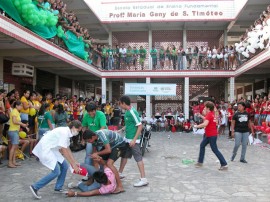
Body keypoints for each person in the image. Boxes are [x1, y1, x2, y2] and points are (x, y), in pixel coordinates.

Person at [29, 120, 82, 199]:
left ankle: (58, 187)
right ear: (74, 127)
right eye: (78, 130)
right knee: (56, 172)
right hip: (47, 149)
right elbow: (64, 150)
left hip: (53, 149)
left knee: (64, 166)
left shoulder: (67, 132)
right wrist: (74, 165)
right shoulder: (64, 132)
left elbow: (67, 149)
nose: (77, 133)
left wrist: (74, 162)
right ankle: (35, 187)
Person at [82, 129, 127, 193]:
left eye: (89, 140)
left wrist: (97, 154)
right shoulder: (93, 140)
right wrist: (95, 157)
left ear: (92, 137)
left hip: (119, 145)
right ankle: (95, 179)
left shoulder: (101, 135)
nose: (89, 142)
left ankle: (120, 186)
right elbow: (94, 152)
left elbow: (108, 150)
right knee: (98, 160)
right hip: (111, 146)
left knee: (109, 164)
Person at [118, 95, 148, 187]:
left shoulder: (132, 112)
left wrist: (134, 140)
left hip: (133, 140)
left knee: (138, 158)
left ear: (123, 103)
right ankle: (120, 173)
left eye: (120, 103)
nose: (119, 105)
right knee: (124, 156)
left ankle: (143, 179)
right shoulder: (127, 111)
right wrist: (121, 130)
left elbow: (140, 126)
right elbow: (129, 124)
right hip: (127, 139)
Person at [194, 102, 228, 170]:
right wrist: (201, 116)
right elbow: (207, 120)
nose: (204, 108)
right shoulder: (212, 114)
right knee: (202, 145)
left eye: (205, 107)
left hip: (211, 135)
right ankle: (200, 162)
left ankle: (224, 164)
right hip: (210, 135)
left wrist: (196, 126)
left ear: (208, 108)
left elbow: (205, 124)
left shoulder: (209, 114)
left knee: (214, 149)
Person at [8, 101, 29, 168]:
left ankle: (13, 161)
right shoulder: (14, 111)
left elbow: (18, 121)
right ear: (16, 106)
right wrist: (22, 124)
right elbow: (14, 121)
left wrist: (25, 125)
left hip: (15, 131)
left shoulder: (17, 112)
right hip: (13, 131)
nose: (21, 107)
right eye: (20, 106)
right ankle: (10, 162)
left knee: (15, 147)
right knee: (13, 147)